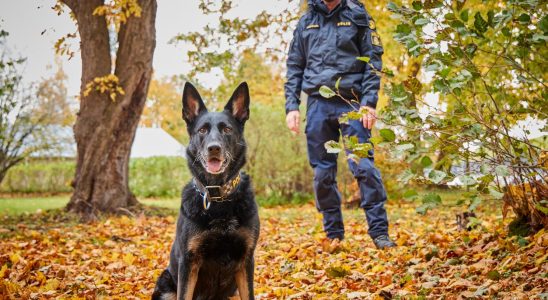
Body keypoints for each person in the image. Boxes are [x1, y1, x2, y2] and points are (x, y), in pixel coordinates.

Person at [284, 0, 396, 249]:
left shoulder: (358, 15)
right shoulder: (306, 21)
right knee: (322, 174)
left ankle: (379, 233)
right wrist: (291, 106)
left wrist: (369, 102)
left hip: (352, 102)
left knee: (363, 167)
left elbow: (373, 61)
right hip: (317, 105)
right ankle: (334, 235)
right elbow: (294, 66)